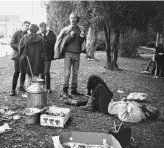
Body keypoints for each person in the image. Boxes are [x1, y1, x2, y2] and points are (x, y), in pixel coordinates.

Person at [64, 84, 159, 123]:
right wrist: (125, 101)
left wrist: (123, 104)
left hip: (108, 108)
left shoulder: (138, 116)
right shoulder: (141, 108)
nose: (150, 106)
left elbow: (124, 117)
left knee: (100, 87)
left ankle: (89, 106)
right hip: (111, 104)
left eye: (152, 109)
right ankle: (72, 102)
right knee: (96, 101)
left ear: (148, 114)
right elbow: (127, 104)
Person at [54, 12, 86, 96]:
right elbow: (63, 42)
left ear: (77, 19)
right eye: (71, 18)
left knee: (75, 73)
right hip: (68, 54)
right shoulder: (66, 29)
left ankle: (74, 90)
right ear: (70, 19)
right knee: (67, 72)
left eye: (74, 18)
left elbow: (80, 42)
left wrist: (82, 37)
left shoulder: (81, 29)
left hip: (77, 53)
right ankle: (65, 90)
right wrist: (70, 37)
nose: (72, 19)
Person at [10, 21, 30, 96]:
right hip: (16, 55)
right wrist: (20, 48)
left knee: (23, 72)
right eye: (26, 25)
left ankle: (21, 87)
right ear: (22, 26)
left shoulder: (28, 34)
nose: (27, 27)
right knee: (16, 72)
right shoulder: (16, 33)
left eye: (28, 26)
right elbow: (12, 43)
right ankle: (13, 89)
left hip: (24, 56)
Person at [38, 22, 56, 93]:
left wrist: (45, 38)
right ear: (40, 28)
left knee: (46, 72)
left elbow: (53, 41)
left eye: (44, 27)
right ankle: (43, 87)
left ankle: (48, 88)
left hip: (48, 55)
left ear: (46, 27)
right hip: (40, 56)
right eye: (41, 27)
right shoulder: (38, 34)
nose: (42, 28)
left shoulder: (51, 33)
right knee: (42, 72)